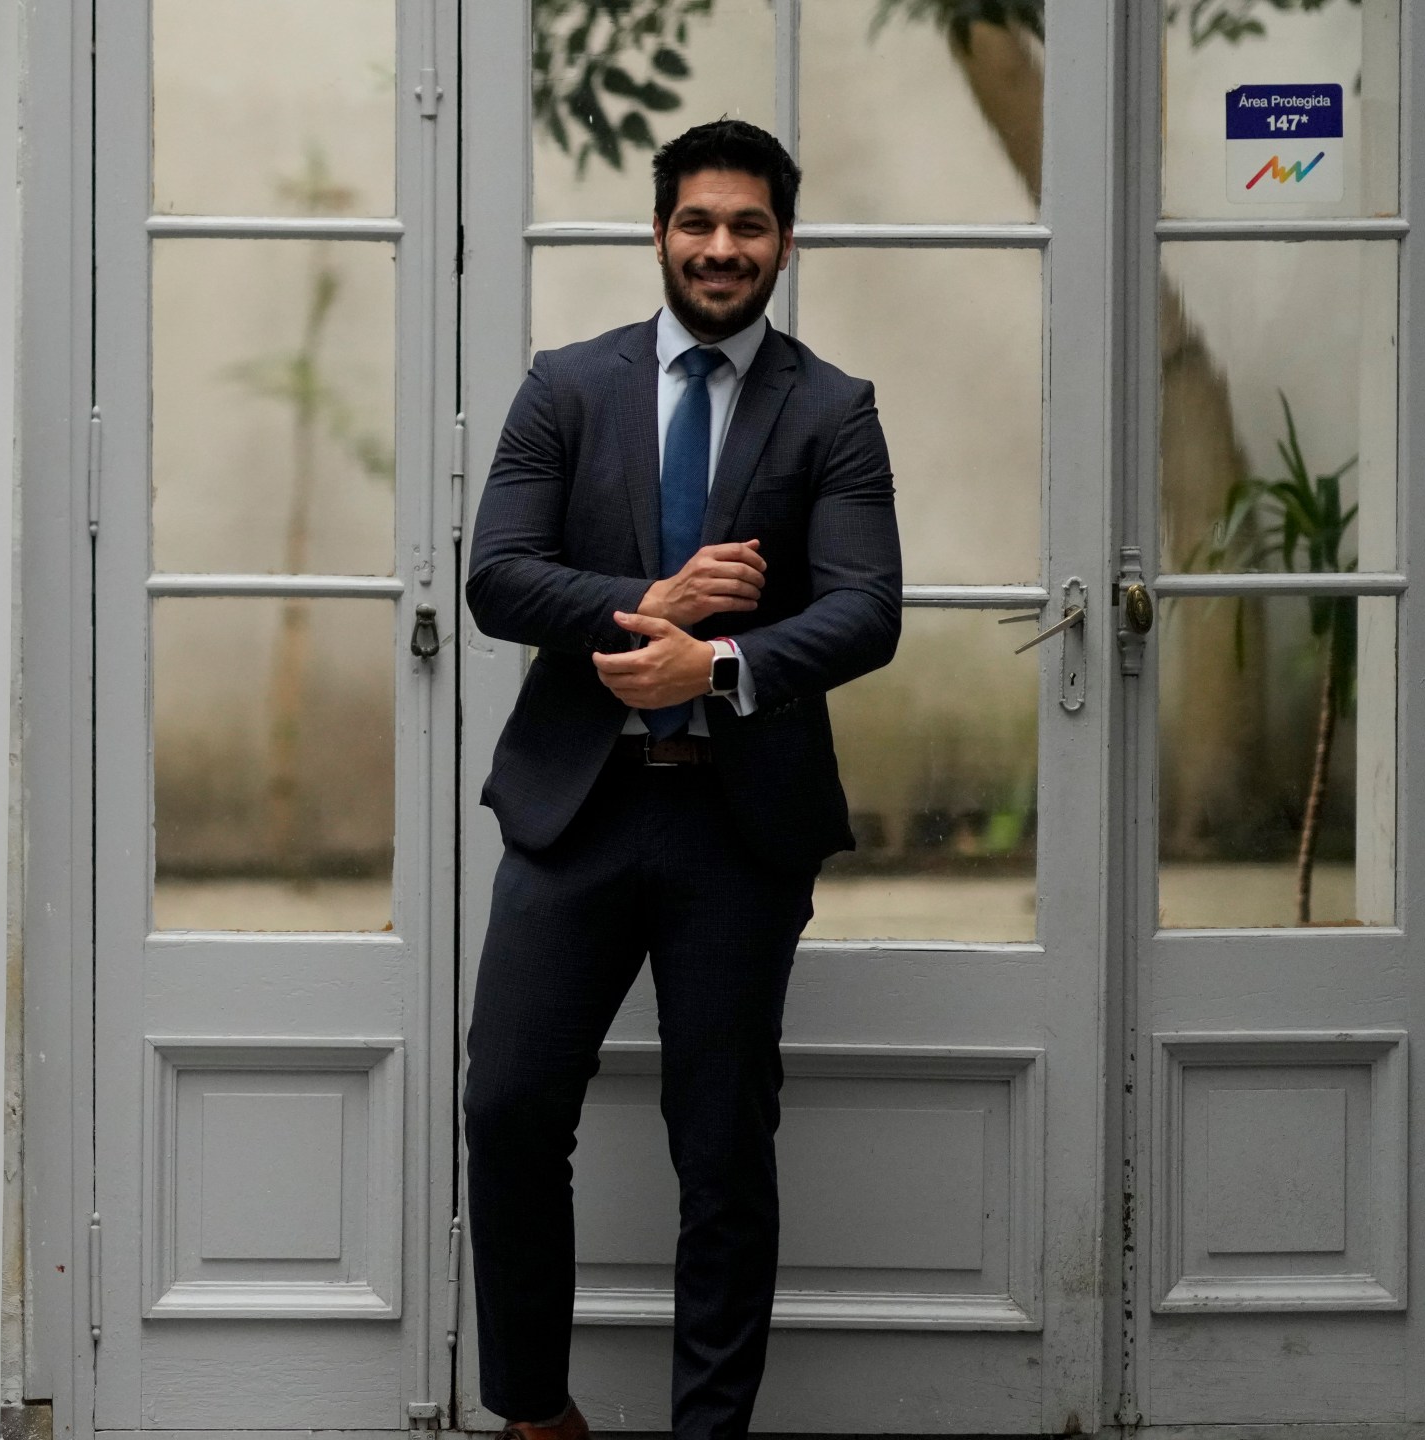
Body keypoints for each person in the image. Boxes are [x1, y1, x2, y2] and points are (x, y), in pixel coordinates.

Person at [460, 118, 902, 1439]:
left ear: (782, 241)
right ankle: (535, 1412)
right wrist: (649, 603)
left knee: (721, 1153)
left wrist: (710, 665)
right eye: (699, 223)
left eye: (748, 226)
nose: (722, 249)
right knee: (511, 1106)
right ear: (660, 233)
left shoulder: (832, 410)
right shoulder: (567, 387)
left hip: (737, 828)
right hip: (573, 815)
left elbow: (868, 613)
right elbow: (497, 575)